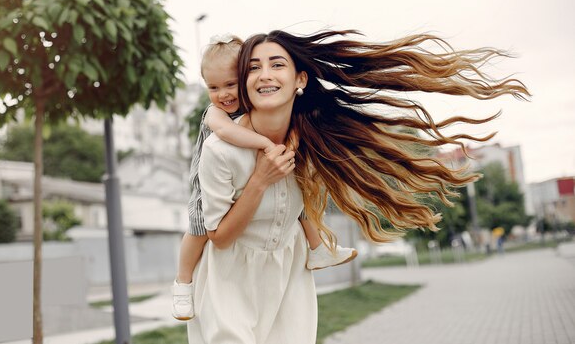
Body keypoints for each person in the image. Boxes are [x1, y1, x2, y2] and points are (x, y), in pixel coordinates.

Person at [188, 29, 529, 343]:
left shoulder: (310, 142)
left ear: (299, 79)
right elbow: (218, 237)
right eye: (253, 68)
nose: (264, 75)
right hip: (227, 283)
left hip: (287, 283)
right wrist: (260, 180)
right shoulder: (220, 151)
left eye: (277, 64)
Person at [172, 34, 356, 321]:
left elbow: (296, 125)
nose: (223, 94)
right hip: (203, 183)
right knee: (196, 229)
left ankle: (317, 248)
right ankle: (183, 282)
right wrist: (268, 148)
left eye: (231, 84)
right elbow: (228, 133)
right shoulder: (215, 114)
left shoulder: (260, 104)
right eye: (213, 87)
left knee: (303, 202)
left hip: (278, 268)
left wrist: (290, 148)